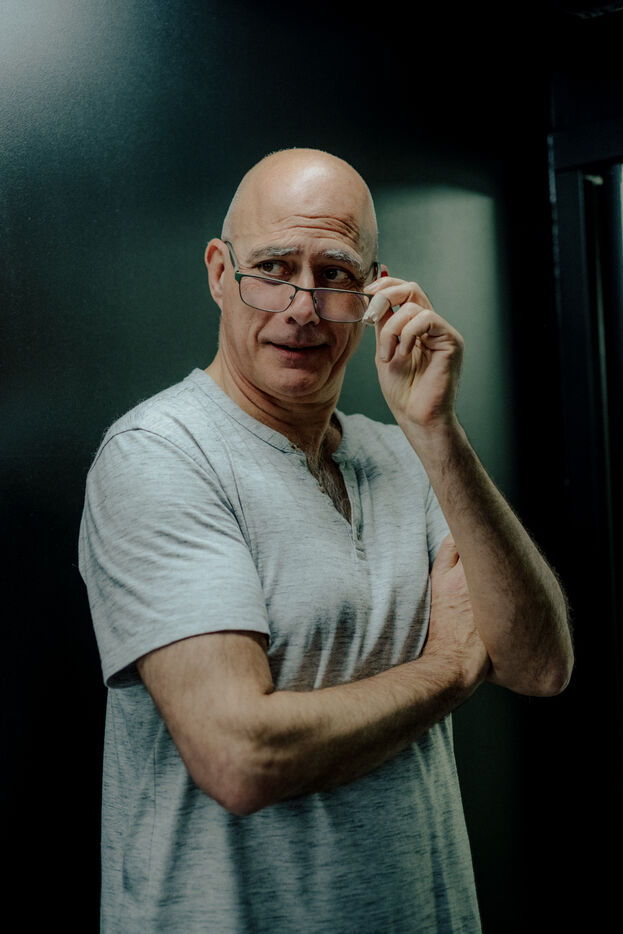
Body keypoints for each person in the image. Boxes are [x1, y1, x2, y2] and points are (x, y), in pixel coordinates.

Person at [79, 148, 573, 933]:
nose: (302, 307)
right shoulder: (161, 453)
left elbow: (540, 664)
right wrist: (446, 670)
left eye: (334, 274)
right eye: (273, 268)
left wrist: (437, 432)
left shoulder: (404, 456)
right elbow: (242, 757)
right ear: (219, 272)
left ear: (375, 292)